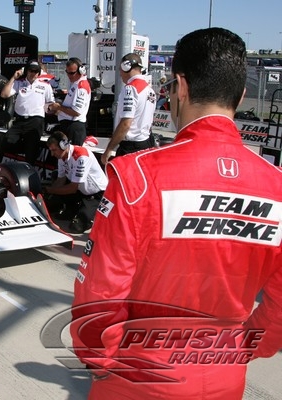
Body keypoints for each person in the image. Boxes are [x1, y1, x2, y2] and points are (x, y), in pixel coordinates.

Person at [70, 27, 282, 400]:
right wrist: (244, 349)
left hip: (138, 375)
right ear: (240, 95)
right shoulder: (276, 184)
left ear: (180, 87)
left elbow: (100, 291)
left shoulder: (137, 176)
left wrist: (100, 361)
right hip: (225, 376)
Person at [43, 131, 107, 233]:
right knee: (55, 176)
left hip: (97, 194)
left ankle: (90, 216)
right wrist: (46, 196)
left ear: (64, 146)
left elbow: (72, 188)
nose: (52, 154)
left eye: (54, 150)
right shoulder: (61, 157)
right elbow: (60, 180)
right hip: (81, 190)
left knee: (76, 227)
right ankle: (71, 210)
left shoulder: (81, 156)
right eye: (51, 150)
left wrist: (50, 190)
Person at [101, 53, 157, 165]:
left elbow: (126, 124)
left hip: (131, 147)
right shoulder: (150, 90)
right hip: (146, 143)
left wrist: (109, 149)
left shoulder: (130, 89)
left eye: (120, 70)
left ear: (126, 67)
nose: (120, 74)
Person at [0, 60, 54, 165]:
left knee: (31, 152)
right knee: (7, 142)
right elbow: (4, 94)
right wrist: (13, 78)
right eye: (31, 70)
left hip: (36, 121)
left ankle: (30, 170)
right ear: (26, 71)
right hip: (19, 120)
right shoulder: (19, 83)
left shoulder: (46, 86)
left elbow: (51, 103)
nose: (33, 73)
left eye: (36, 71)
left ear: (39, 73)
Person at [49, 58, 91, 146]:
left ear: (81, 71)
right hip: (69, 126)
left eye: (72, 73)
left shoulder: (81, 87)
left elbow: (76, 112)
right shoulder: (76, 84)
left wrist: (59, 107)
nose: (69, 75)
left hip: (74, 127)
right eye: (67, 72)